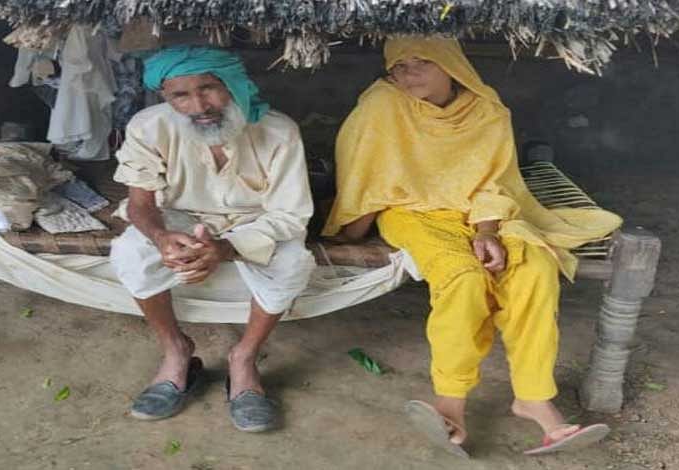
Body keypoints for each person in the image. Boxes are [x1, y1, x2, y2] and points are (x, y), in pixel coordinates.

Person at [322, 36, 622, 456]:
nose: (409, 73)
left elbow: (494, 182)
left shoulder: (487, 108)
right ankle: (450, 401)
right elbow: (363, 171)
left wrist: (486, 231)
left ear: (450, 63)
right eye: (399, 65)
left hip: (482, 214)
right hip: (413, 213)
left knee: (535, 266)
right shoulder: (382, 105)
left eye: (421, 62)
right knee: (463, 277)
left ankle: (533, 397)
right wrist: (350, 232)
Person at [110, 45, 315, 432]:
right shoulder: (149, 126)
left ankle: (243, 359)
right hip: (179, 218)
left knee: (293, 261)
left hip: (255, 222)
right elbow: (140, 203)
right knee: (130, 251)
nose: (198, 105)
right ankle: (176, 351)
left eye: (208, 88)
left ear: (234, 85)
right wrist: (161, 237)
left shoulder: (279, 131)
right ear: (166, 98)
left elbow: (290, 214)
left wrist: (224, 249)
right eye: (180, 95)